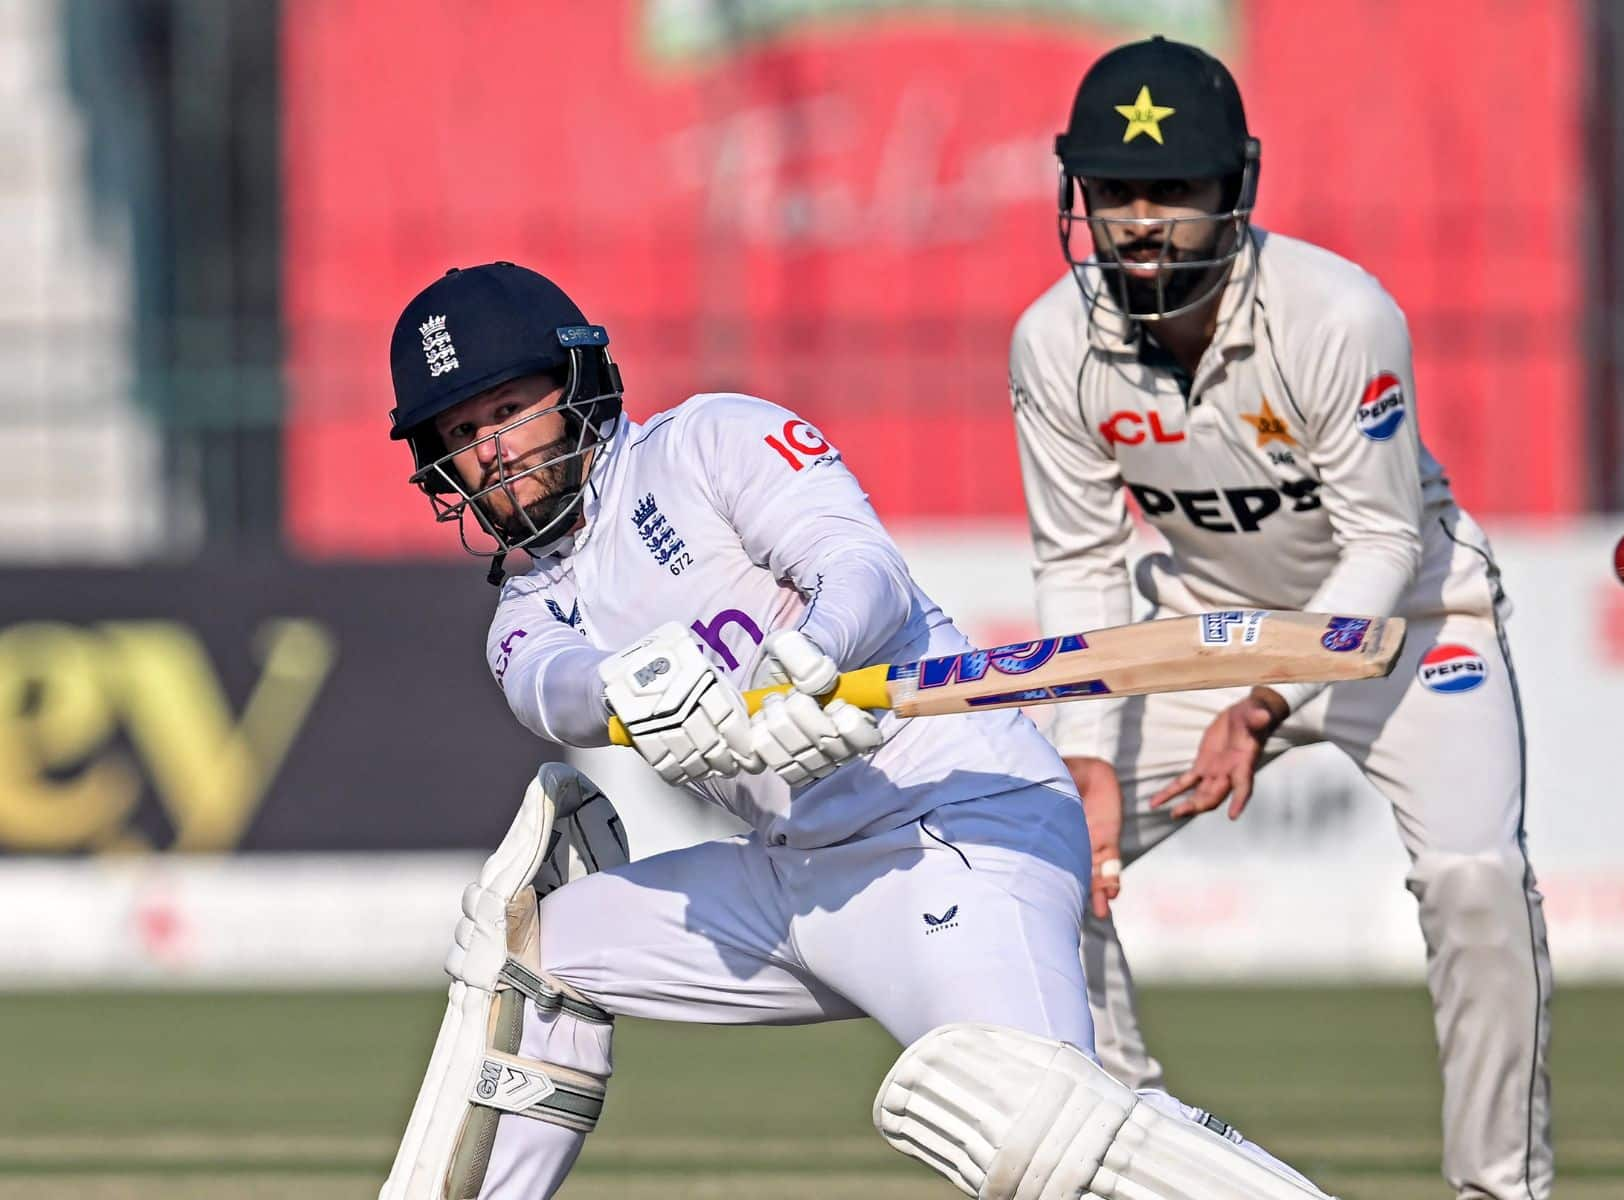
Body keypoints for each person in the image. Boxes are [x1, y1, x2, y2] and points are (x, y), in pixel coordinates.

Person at [377, 261, 1334, 1199]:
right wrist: (630, 690)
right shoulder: (526, 607)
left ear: (576, 382)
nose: (492, 449)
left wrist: (818, 656)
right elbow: (551, 689)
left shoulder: (708, 441)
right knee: (529, 952)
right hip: (792, 876)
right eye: (462, 433)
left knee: (1028, 1128)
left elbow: (857, 565)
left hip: (953, 824)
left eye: (507, 411)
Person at [1010, 38, 1554, 1199]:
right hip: (1205, 624)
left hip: (1409, 621)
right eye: (1113, 194)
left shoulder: (1339, 316)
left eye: (1173, 194)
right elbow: (1081, 562)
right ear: (1077, 198)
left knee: (1474, 881)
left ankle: (1498, 1189)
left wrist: (1264, 703)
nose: (1141, 221)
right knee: (1039, 845)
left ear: (1235, 191)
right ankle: (1137, 1141)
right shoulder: (1053, 345)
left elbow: (1382, 545)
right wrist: (1081, 757)